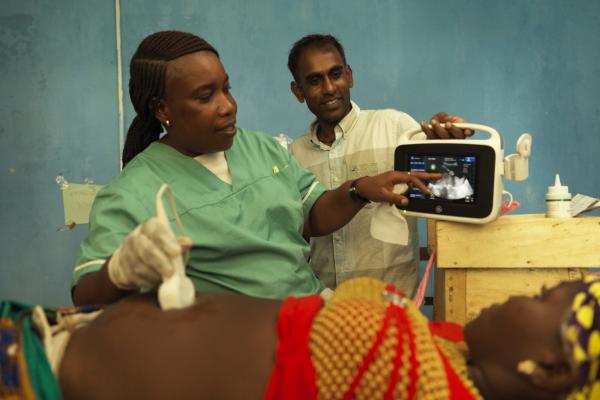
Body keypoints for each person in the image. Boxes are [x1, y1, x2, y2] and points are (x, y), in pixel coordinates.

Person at [71, 31, 442, 306]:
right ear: (162, 109)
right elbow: (85, 291)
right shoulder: (133, 191)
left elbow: (311, 216)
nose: (228, 106)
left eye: (226, 89)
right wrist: (121, 270)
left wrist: (357, 189)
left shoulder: (260, 149)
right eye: (206, 96)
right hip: (237, 343)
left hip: (315, 310)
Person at [4, 275, 600, 399]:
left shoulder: (423, 386)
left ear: (546, 369)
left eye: (545, 299)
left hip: (49, 379)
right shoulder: (449, 348)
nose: (524, 294)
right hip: (56, 334)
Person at [287, 34, 473, 295]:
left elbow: (449, 184)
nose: (329, 88)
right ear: (298, 91)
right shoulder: (293, 156)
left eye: (336, 74)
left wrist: (446, 143)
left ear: (349, 76)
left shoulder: (395, 128)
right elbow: (295, 235)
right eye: (315, 80)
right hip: (327, 318)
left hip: (394, 313)